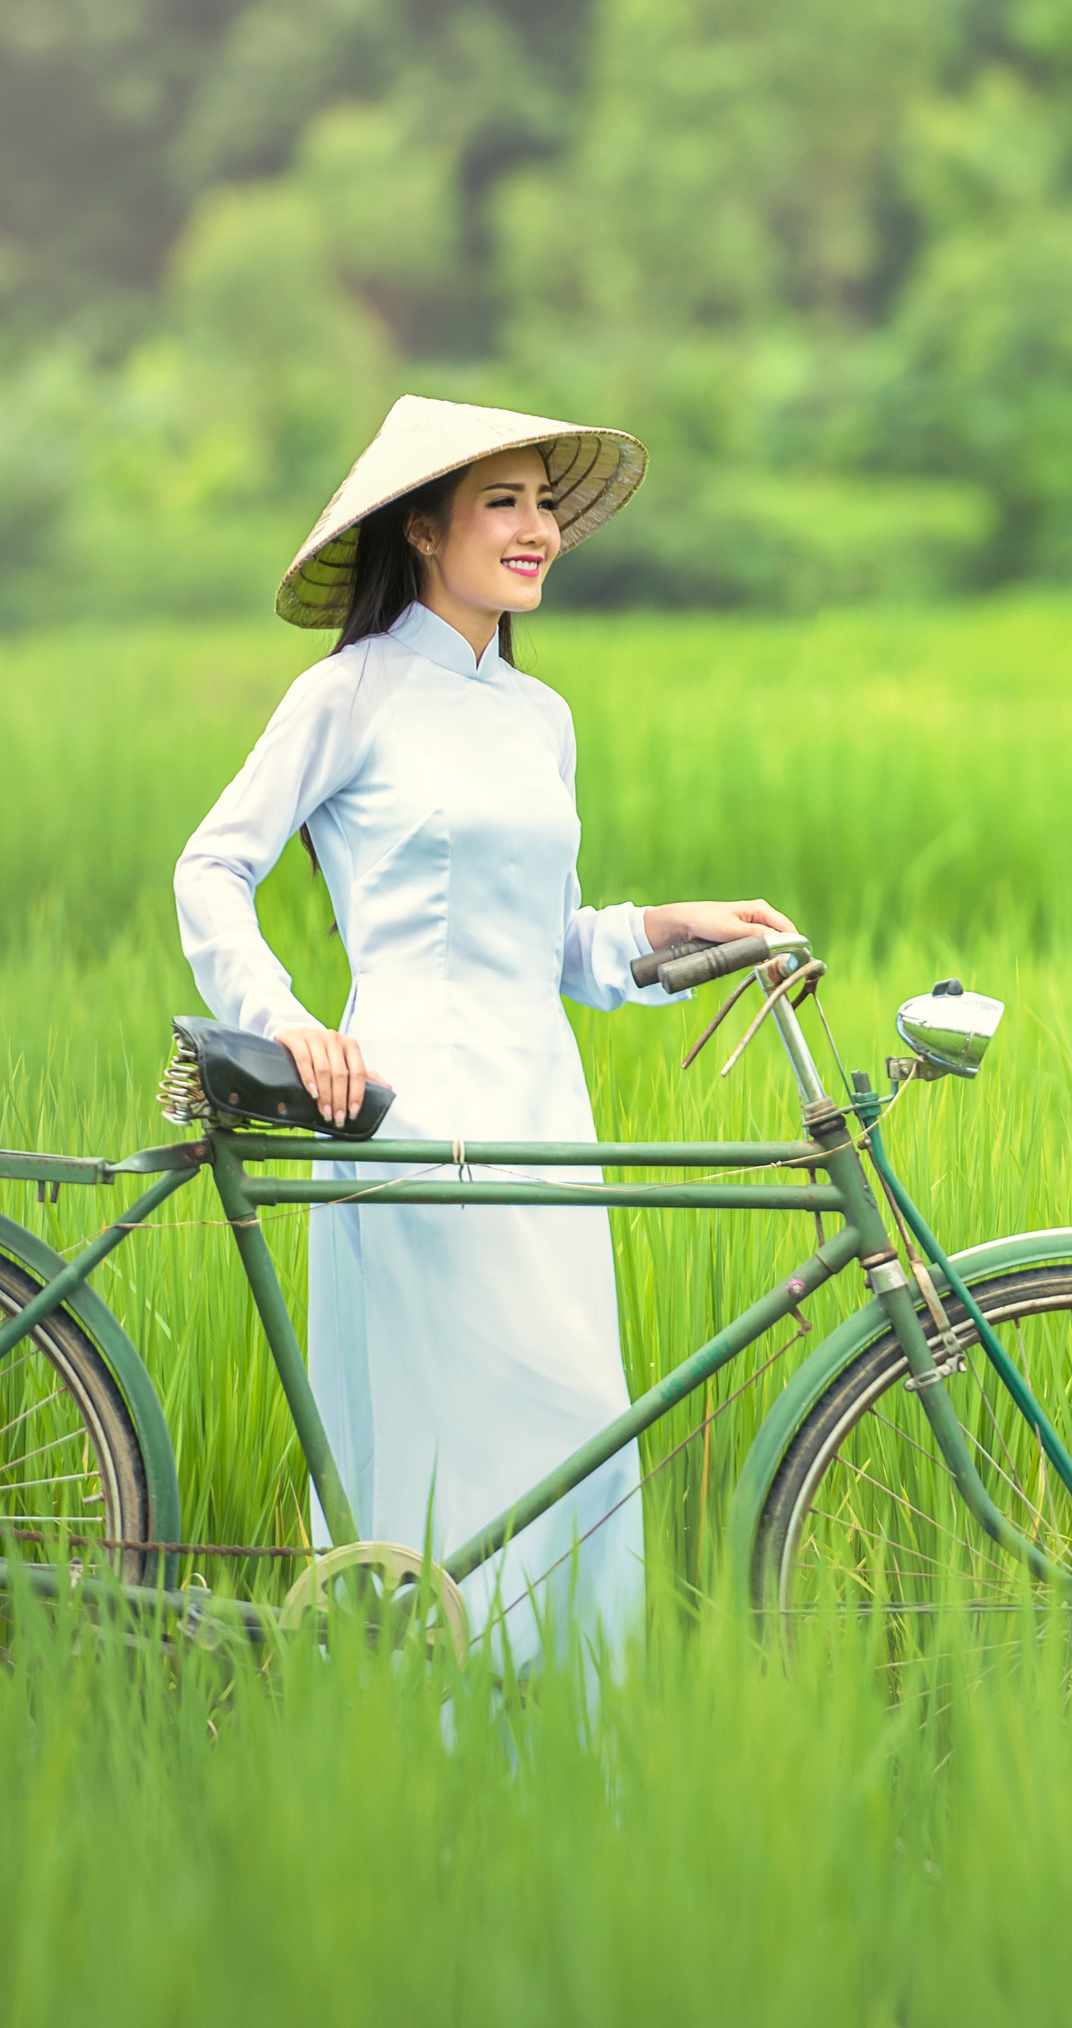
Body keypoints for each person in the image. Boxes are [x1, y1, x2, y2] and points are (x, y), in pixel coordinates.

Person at [173, 395, 791, 1667]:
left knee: (576, 1444)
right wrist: (286, 1024)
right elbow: (209, 868)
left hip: (544, 1108)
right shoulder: (348, 693)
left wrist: (666, 925)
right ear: (422, 531)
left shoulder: (539, 716)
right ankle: (431, 1743)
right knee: (502, 1424)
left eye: (544, 504)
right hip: (411, 1102)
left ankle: (554, 1781)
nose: (538, 530)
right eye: (502, 503)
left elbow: (553, 941)